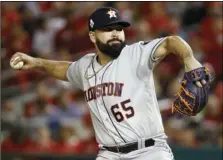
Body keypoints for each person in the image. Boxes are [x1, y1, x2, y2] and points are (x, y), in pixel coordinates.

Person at [10, 7, 207, 160]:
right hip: (109, 154)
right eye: (107, 29)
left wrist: (189, 59)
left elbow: (170, 42)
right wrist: (37, 62)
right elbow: (65, 69)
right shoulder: (85, 66)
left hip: (148, 151)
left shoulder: (135, 54)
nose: (115, 33)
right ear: (92, 36)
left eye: (118, 28)